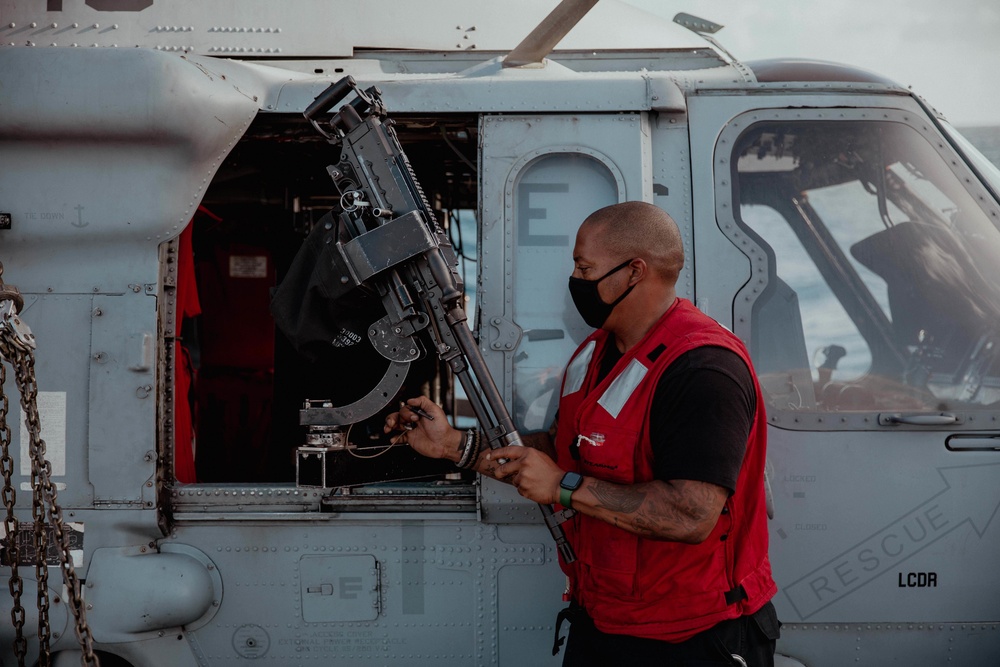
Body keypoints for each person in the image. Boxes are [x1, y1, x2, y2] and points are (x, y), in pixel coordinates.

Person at [386, 201, 779, 666]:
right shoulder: (593, 353)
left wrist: (563, 488)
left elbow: (691, 515)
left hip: (695, 638)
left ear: (634, 272)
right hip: (602, 623)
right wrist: (456, 446)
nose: (575, 280)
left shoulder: (704, 369)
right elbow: (560, 449)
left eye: (584, 267)